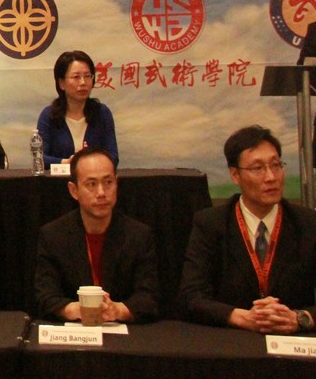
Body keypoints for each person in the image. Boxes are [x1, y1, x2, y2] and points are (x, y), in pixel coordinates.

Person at [178, 125, 316, 333]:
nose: (271, 177)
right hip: (233, 339)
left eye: (276, 165)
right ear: (235, 175)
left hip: (292, 340)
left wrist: (300, 318)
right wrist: (240, 317)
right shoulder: (211, 224)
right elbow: (190, 297)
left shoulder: (308, 223)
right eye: (258, 168)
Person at [34, 148, 159, 322]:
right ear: (74, 190)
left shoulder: (139, 236)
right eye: (91, 184)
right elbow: (44, 297)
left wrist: (118, 310)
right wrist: (75, 309)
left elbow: (149, 297)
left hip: (123, 331)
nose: (101, 192)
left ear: (117, 184)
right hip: (73, 331)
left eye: (108, 182)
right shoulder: (53, 236)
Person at [35, 50, 118, 168]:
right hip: (59, 179)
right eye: (76, 77)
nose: (83, 82)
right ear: (61, 83)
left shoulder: (102, 113)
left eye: (87, 76)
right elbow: (39, 158)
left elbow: (113, 156)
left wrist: (89, 160)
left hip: (93, 178)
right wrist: (67, 163)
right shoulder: (49, 115)